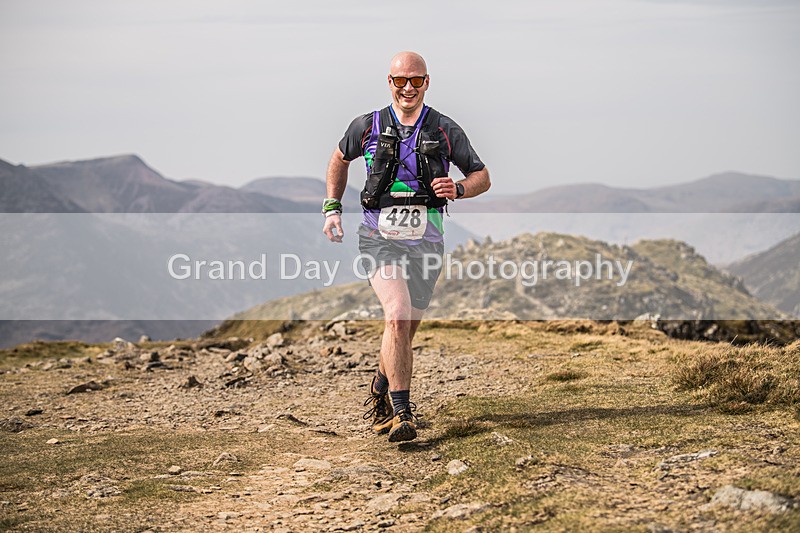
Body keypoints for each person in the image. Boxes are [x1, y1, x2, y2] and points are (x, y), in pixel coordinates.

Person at [322, 51, 491, 442]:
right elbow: (338, 159)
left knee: (405, 329)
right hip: (377, 236)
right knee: (396, 315)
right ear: (390, 83)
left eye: (416, 80)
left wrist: (461, 188)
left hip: (427, 241)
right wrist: (332, 207)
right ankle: (401, 413)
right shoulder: (366, 125)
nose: (408, 88)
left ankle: (381, 384)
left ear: (427, 82)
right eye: (401, 81)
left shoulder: (445, 128)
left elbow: (482, 176)